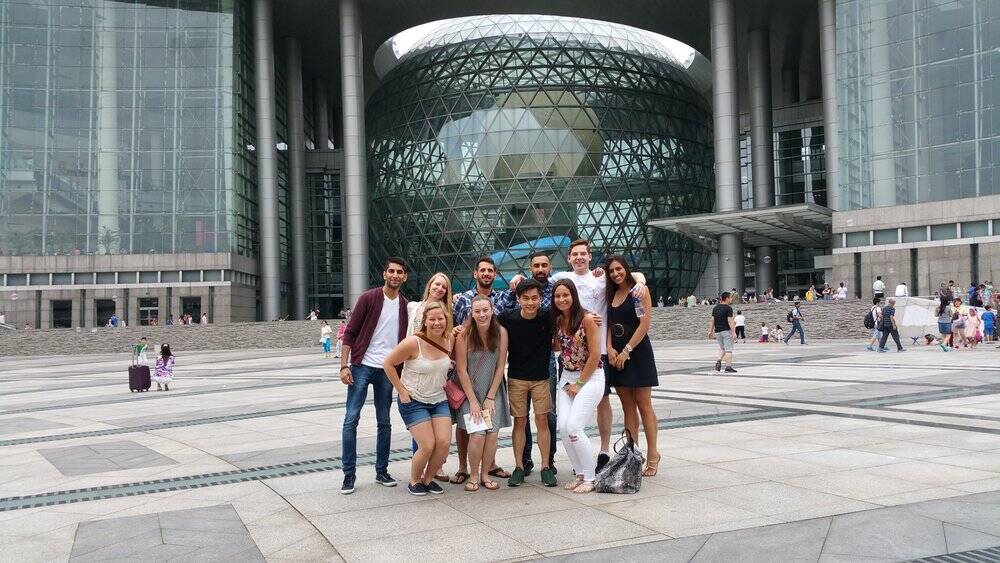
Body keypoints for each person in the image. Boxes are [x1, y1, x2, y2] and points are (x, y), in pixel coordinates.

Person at [545, 239, 647, 474]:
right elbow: (538, 280)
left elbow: (634, 274)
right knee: (572, 413)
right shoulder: (564, 279)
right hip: (573, 357)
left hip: (599, 352)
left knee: (603, 401)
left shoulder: (601, 279)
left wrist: (640, 282)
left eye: (583, 254)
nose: (579, 257)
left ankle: (602, 451)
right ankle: (581, 456)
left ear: (590, 257)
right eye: (575, 254)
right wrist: (517, 279)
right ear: (569, 258)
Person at [339, 257, 409, 495]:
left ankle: (382, 470)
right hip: (362, 365)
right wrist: (344, 366)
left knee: (385, 422)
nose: (395, 275)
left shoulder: (404, 305)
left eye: (399, 272)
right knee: (351, 419)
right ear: (384, 274)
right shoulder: (369, 298)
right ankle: (349, 474)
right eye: (391, 271)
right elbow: (350, 333)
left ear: (404, 277)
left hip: (387, 370)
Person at [451, 257, 515, 484]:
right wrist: (475, 401)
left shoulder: (502, 333)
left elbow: (500, 366)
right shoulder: (464, 335)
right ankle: (473, 474)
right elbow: (461, 369)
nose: (482, 314)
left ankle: (486, 474)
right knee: (477, 434)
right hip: (470, 390)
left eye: (485, 310)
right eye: (477, 311)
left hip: (493, 389)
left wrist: (489, 397)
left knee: (493, 434)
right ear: (471, 312)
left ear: (492, 309)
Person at [382, 302, 453, 496]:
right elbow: (388, 364)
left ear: (446, 321)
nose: (437, 323)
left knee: (444, 443)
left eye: (441, 319)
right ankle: (414, 480)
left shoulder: (450, 339)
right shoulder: (413, 342)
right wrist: (401, 390)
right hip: (414, 400)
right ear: (425, 322)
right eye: (432, 319)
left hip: (439, 399)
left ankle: (428, 479)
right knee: (428, 444)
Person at [604, 256, 661, 477]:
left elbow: (645, 324)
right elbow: (608, 324)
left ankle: (654, 455)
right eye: (611, 271)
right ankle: (632, 455)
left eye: (619, 269)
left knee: (644, 404)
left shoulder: (639, 291)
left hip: (637, 352)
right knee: (627, 406)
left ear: (626, 269)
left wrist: (627, 350)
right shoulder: (610, 294)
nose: (616, 274)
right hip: (617, 355)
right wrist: (610, 348)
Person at [500, 279, 557, 487]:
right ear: (518, 299)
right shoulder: (508, 318)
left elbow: (572, 311)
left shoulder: (547, 317)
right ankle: (518, 467)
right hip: (517, 378)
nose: (530, 302)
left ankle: (545, 467)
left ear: (540, 299)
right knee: (520, 422)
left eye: (534, 298)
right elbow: (485, 323)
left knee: (542, 421)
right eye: (525, 298)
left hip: (541, 378)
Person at [552, 279, 603, 493]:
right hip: (566, 377)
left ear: (573, 295)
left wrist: (579, 383)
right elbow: (557, 347)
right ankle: (580, 473)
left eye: (566, 295)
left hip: (590, 378)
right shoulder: (557, 322)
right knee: (563, 427)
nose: (562, 299)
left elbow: (595, 355)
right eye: (558, 296)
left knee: (574, 426)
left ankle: (590, 478)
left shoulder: (588, 319)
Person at [405, 272, 454, 483]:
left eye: (444, 286)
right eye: (437, 284)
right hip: (414, 363)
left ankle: (433, 469)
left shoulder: (446, 313)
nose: (439, 288)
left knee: (439, 436)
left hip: (436, 370)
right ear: (429, 284)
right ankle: (420, 468)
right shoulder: (412, 307)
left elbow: (450, 335)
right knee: (423, 432)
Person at [708, 292, 737, 373]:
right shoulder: (728, 308)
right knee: (728, 350)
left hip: (718, 332)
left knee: (722, 348)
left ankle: (718, 360)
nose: (731, 299)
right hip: (726, 331)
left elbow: (712, 320)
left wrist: (710, 331)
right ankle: (728, 367)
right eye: (731, 297)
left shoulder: (715, 308)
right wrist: (734, 332)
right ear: (727, 298)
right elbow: (730, 321)